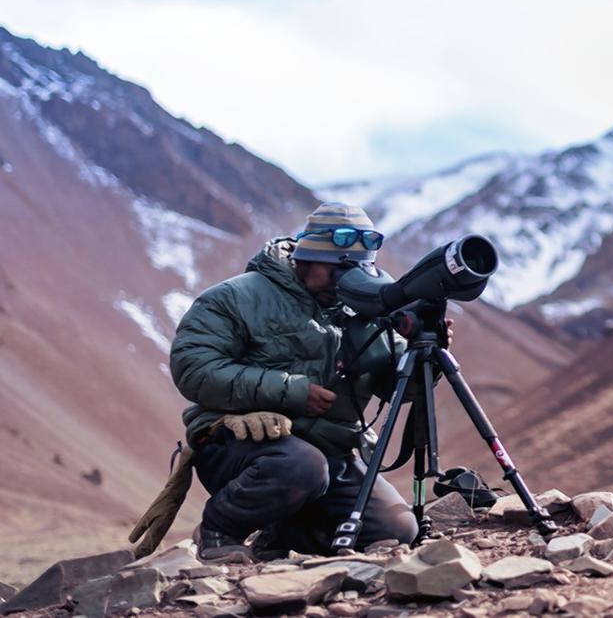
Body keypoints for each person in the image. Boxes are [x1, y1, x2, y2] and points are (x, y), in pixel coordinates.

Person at [170, 202, 447, 563]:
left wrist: (427, 356)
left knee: (397, 531)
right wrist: (291, 390)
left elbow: (395, 388)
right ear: (305, 257)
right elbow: (192, 367)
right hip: (241, 445)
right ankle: (220, 530)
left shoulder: (366, 309)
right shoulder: (238, 297)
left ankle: (283, 533)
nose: (344, 281)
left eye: (357, 269)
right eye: (336, 270)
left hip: (332, 453)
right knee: (301, 465)